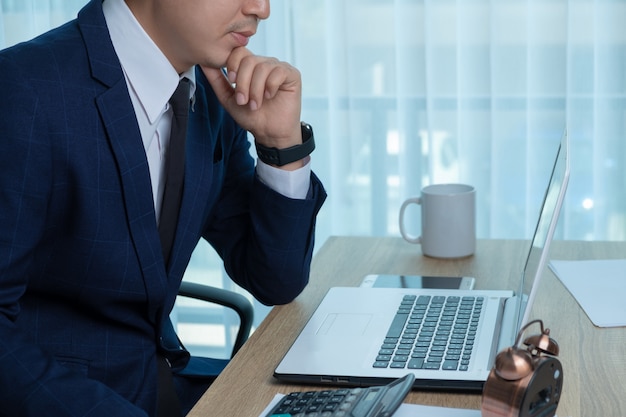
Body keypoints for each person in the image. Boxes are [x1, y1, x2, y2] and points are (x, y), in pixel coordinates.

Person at [0, 0, 326, 415]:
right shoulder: (21, 90)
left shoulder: (210, 93)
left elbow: (274, 279)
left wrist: (282, 145)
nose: (261, 8)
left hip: (167, 385)